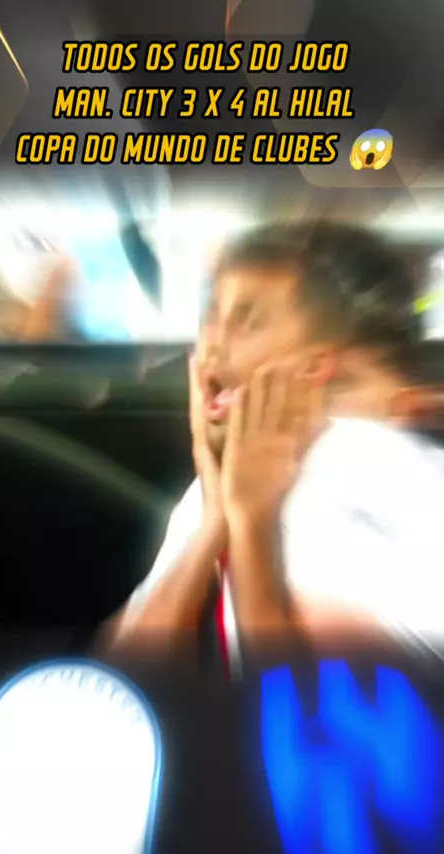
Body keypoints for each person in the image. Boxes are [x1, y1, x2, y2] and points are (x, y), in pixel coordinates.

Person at [99, 221, 444, 674]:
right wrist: (214, 522)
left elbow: (307, 706)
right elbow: (115, 676)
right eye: (212, 320)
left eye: (248, 323)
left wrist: (252, 525)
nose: (212, 349)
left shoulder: (392, 478)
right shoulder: (224, 483)